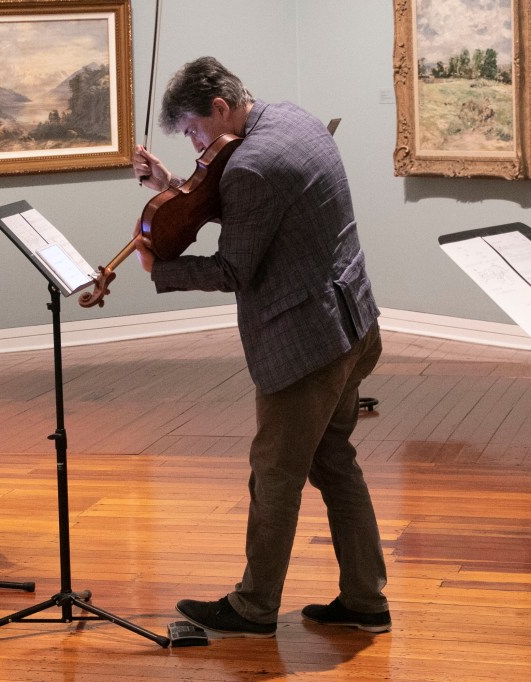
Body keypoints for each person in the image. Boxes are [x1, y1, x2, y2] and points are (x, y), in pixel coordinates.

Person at [132, 57, 390, 637]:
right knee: (334, 460)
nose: (197, 146)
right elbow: (258, 213)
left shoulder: (250, 164)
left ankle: (253, 608)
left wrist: (160, 268)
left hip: (307, 345)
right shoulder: (292, 119)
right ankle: (365, 599)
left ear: (221, 108)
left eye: (194, 131)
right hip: (353, 323)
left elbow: (234, 268)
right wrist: (172, 188)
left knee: (275, 474)